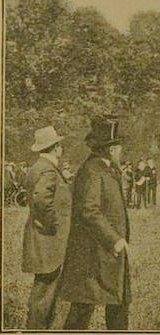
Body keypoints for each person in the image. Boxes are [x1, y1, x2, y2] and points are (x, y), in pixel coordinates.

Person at [60, 115, 131, 330]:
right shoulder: (91, 171)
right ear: (110, 149)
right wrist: (114, 239)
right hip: (92, 253)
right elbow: (89, 211)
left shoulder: (106, 169)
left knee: (119, 302)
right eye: (119, 147)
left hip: (108, 252)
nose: (121, 151)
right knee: (82, 308)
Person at [22, 126, 72, 329]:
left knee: (44, 288)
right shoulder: (48, 170)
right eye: (59, 145)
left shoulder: (39, 167)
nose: (62, 148)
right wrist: (55, 225)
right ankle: (35, 329)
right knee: (45, 290)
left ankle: (38, 327)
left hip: (42, 237)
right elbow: (42, 200)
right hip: (48, 240)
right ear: (55, 148)